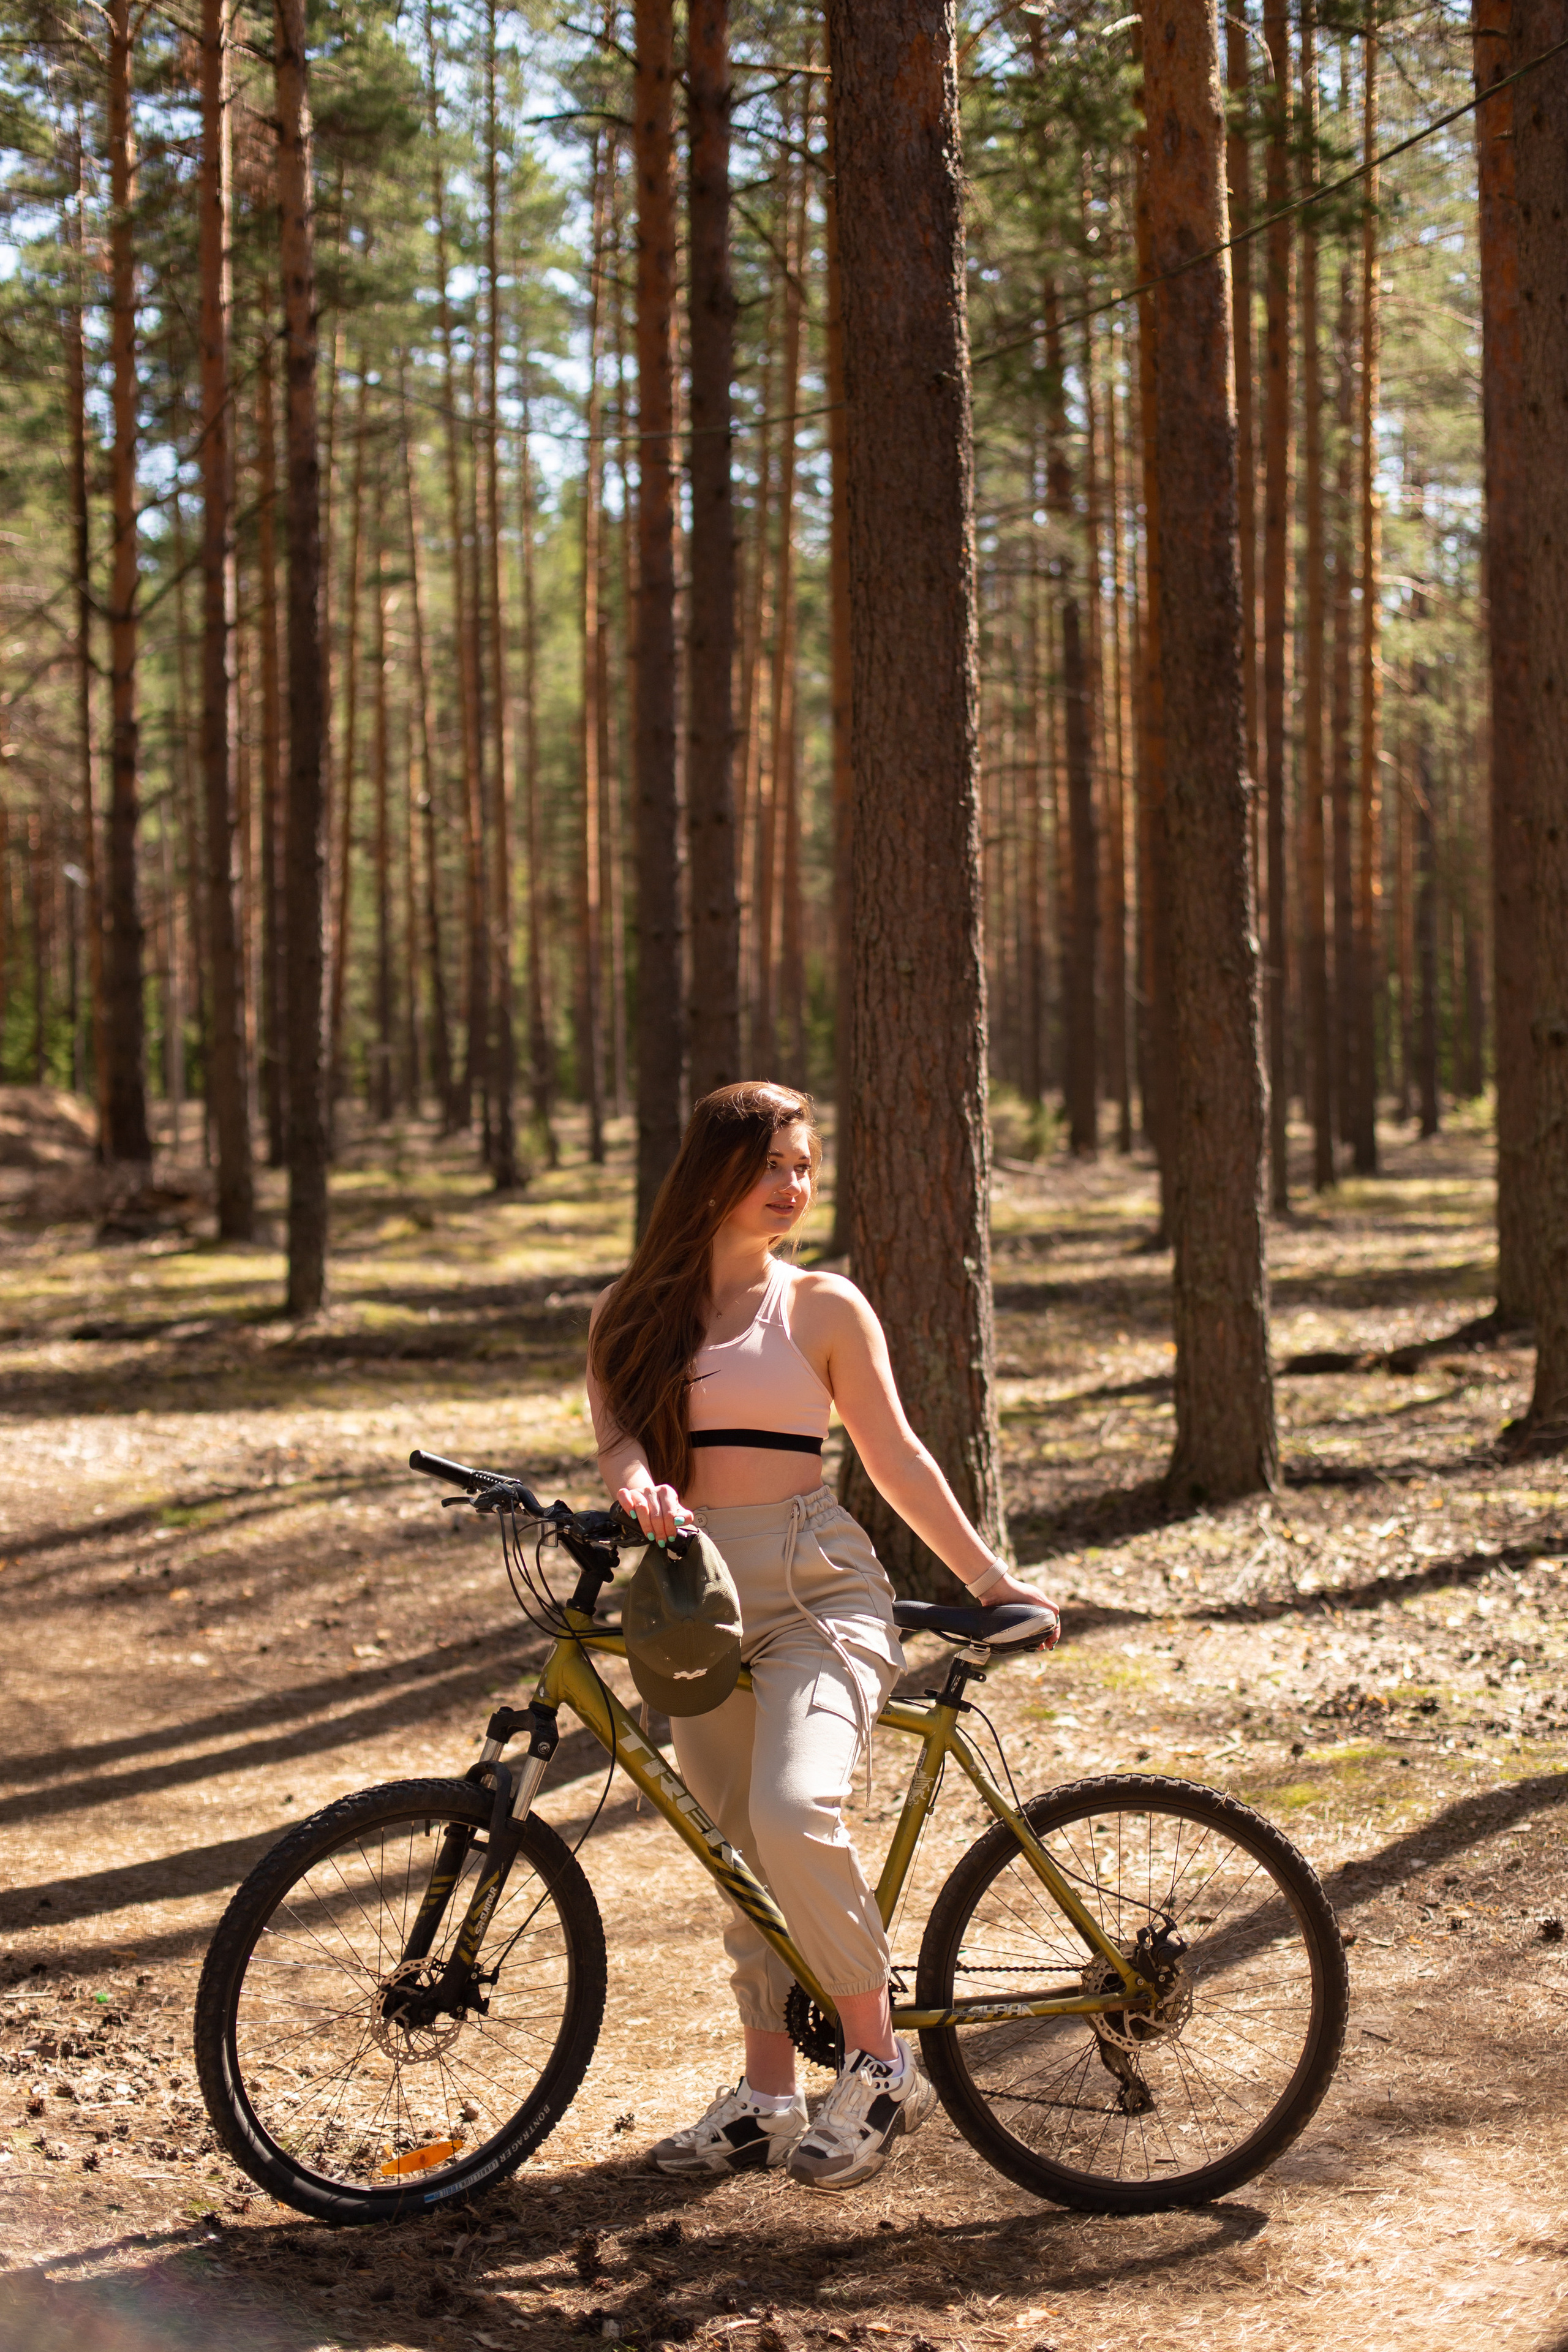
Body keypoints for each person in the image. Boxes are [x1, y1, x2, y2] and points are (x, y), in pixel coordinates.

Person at [586, 1081, 1056, 2192]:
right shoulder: (627, 1314)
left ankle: (882, 2063)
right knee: (740, 1858)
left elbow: (895, 1458)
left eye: (807, 1167)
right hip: (694, 1605)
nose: (796, 1188)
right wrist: (644, 1490)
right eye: (776, 1166)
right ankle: (764, 2098)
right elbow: (619, 1451)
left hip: (819, 1592)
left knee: (794, 1816)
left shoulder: (824, 1307)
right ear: (713, 1172)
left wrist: (992, 1584)